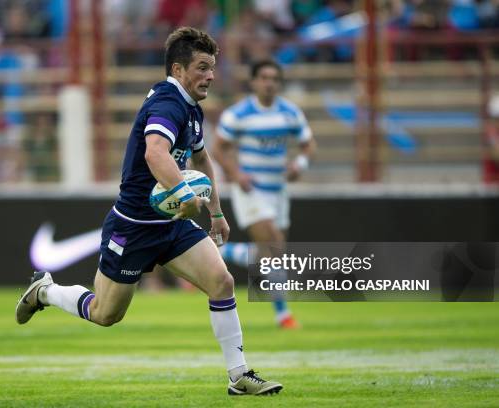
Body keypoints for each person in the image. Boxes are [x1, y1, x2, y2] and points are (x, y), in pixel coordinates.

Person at [16, 27, 282, 396]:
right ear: (177, 69)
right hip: (135, 226)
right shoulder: (167, 105)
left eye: (212, 68)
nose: (210, 75)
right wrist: (184, 194)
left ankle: (239, 376)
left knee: (221, 282)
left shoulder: (190, 109)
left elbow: (203, 157)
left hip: (171, 224)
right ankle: (45, 291)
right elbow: (154, 153)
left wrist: (217, 213)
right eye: (203, 67)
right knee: (105, 314)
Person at [212, 59, 316, 329]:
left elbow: (307, 144)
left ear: (278, 83)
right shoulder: (239, 114)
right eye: (264, 78)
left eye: (274, 79)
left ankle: (220, 251)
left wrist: (299, 165)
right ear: (254, 82)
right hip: (251, 190)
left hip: (278, 191)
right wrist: (237, 175)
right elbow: (218, 148)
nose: (269, 83)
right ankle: (284, 315)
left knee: (273, 254)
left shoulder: (289, 113)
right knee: (273, 242)